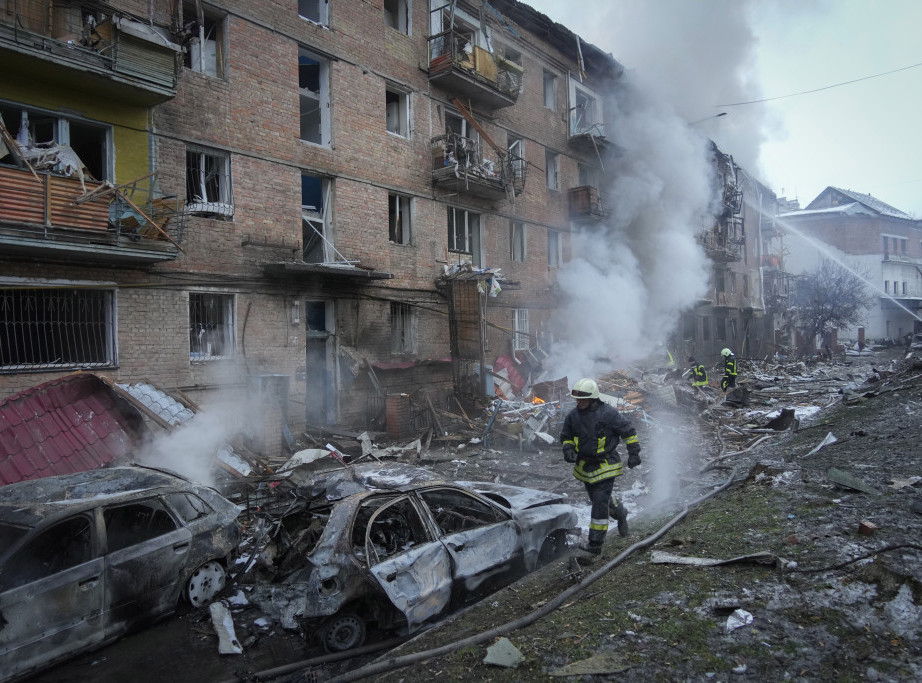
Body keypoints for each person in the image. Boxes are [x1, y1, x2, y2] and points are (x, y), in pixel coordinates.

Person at [560, 378, 641, 556]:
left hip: (606, 465)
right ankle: (620, 512)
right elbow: (566, 436)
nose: (579, 403)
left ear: (593, 398)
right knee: (601, 500)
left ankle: (595, 544)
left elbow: (628, 431)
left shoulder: (608, 414)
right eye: (577, 400)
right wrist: (568, 449)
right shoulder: (572, 416)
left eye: (583, 399)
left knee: (598, 504)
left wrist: (634, 453)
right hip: (585, 467)